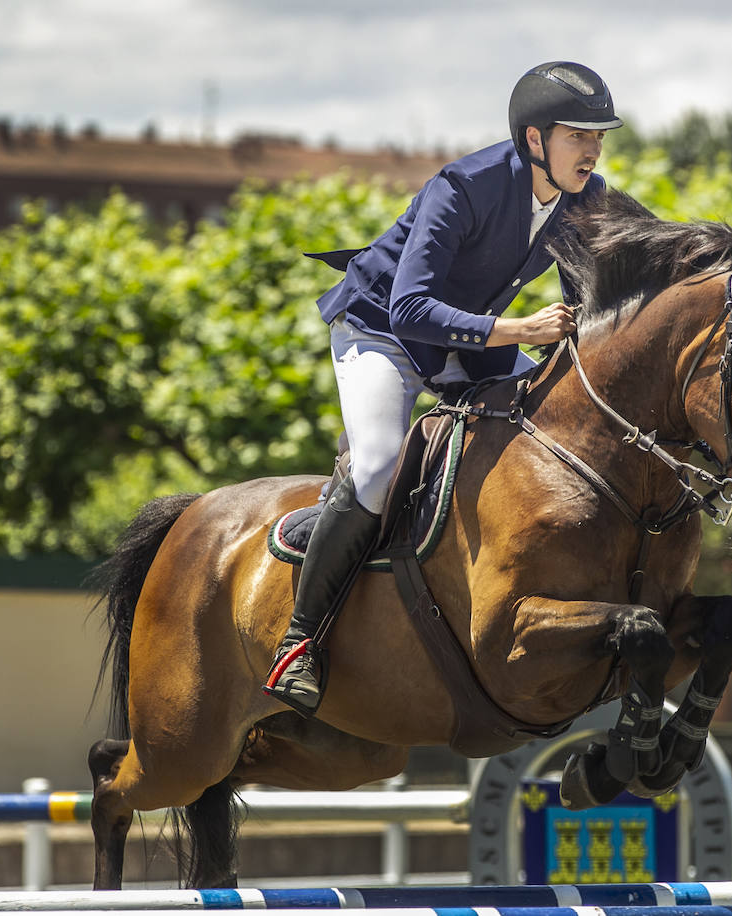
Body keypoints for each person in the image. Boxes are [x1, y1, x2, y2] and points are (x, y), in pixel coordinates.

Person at [262, 61, 623, 717]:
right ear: (535, 140)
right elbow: (409, 310)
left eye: (599, 137)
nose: (593, 150)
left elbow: (601, 289)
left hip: (469, 343)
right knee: (376, 470)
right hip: (381, 331)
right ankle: (299, 642)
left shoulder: (584, 198)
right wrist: (518, 329)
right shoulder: (462, 187)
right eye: (579, 135)